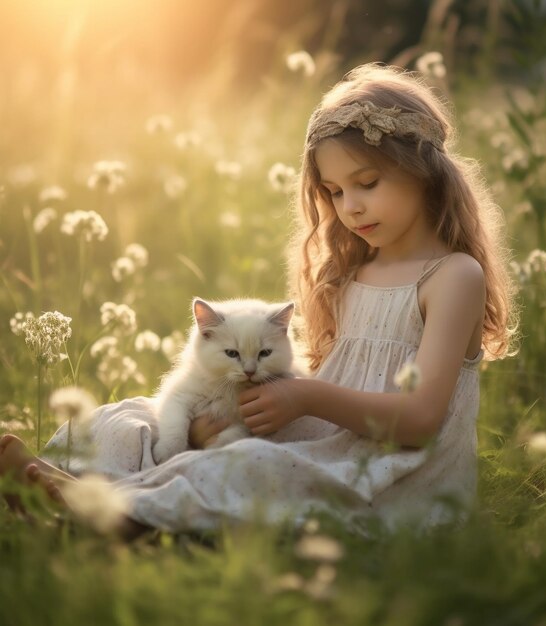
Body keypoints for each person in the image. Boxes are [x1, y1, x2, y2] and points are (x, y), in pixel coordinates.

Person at [0, 63, 516, 537]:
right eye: (334, 192)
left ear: (423, 170)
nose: (350, 207)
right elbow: (328, 387)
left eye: (367, 183)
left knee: (250, 468)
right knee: (134, 416)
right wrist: (233, 420)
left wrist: (304, 398)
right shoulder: (355, 271)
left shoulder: (452, 276)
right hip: (331, 444)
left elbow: (421, 420)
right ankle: (73, 484)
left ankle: (110, 513)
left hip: (396, 479)